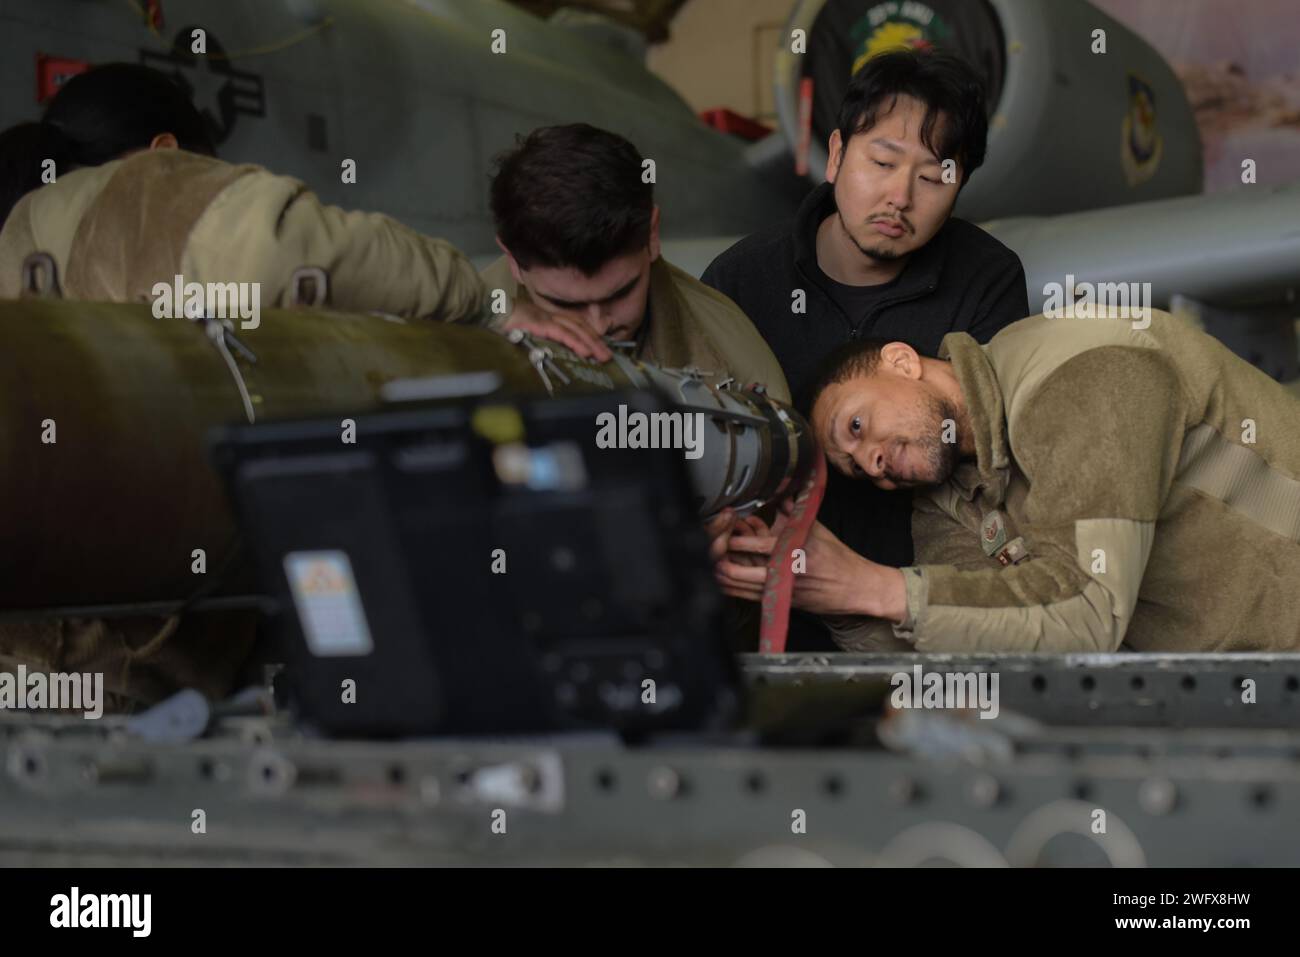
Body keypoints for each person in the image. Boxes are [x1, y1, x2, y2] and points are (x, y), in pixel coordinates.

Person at [714, 309, 1300, 652]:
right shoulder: (951, 499)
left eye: (858, 425)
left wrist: (869, 585)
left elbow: (1087, 609)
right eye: (854, 465)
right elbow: (973, 656)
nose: (870, 462)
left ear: (901, 360)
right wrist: (828, 596)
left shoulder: (1081, 370)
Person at [701, 49, 1028, 648]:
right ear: (834, 155)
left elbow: (1000, 467)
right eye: (881, 161)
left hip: (931, 617)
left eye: (933, 177)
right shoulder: (741, 280)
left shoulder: (988, 277)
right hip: (772, 621)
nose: (899, 197)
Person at [476, 123, 790, 403]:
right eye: (565, 304)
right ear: (513, 261)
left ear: (652, 235)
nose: (598, 326)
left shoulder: (737, 365)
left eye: (620, 294)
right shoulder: (458, 334)